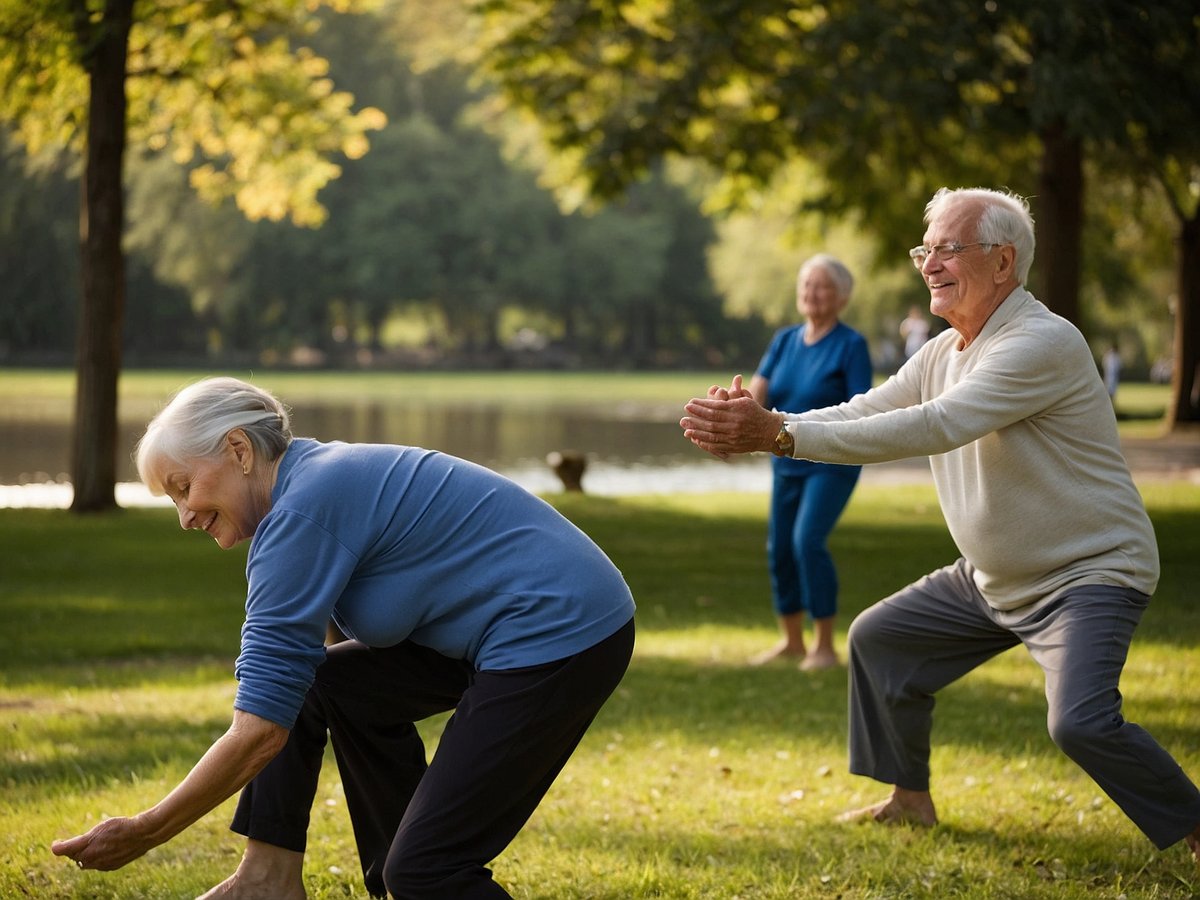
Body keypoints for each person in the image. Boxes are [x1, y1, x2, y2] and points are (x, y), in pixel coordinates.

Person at [680, 187, 1200, 862]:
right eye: (925, 250)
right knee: (880, 641)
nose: (929, 264)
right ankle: (909, 801)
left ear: (1004, 262)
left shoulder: (1040, 341)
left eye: (949, 249)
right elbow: (867, 410)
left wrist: (777, 433)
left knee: (1080, 722)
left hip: (1086, 573)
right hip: (992, 579)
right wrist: (771, 428)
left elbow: (937, 423)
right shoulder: (943, 351)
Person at [52, 377, 637, 899]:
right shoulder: (307, 486)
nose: (184, 516)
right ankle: (269, 880)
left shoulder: (303, 512)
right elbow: (302, 681)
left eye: (184, 487)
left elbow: (258, 731)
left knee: (427, 869)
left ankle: (408, 878)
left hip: (559, 629)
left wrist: (146, 831)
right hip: (505, 626)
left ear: (239, 450)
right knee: (321, 687)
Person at [747, 254, 872, 669]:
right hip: (785, 457)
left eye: (821, 286)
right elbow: (757, 394)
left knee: (807, 541)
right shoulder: (784, 340)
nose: (811, 293)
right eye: (806, 284)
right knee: (780, 548)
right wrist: (734, 422)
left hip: (830, 460)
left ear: (842, 296)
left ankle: (824, 646)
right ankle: (791, 641)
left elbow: (861, 407)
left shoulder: (851, 345)